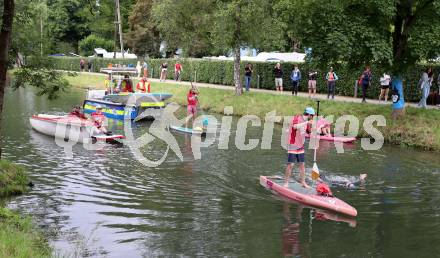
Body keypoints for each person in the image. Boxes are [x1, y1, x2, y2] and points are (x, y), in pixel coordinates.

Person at [284, 107, 315, 188]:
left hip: (300, 145)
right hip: (292, 144)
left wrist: (314, 130)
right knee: (291, 165)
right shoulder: (297, 118)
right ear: (309, 115)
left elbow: (309, 132)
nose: (312, 117)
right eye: (312, 116)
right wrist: (307, 122)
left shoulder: (307, 122)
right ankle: (286, 182)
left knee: (302, 165)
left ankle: (303, 182)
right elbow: (295, 127)